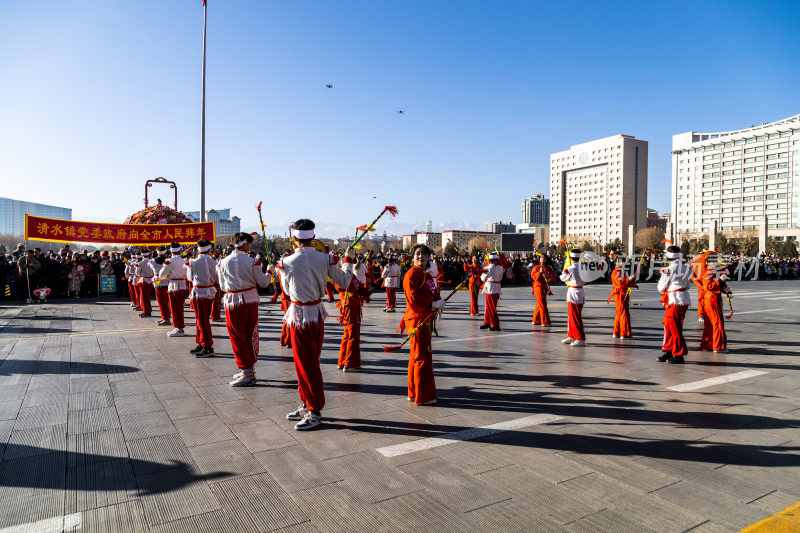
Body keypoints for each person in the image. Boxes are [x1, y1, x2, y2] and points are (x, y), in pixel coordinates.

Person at [277, 219, 351, 431]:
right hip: (317, 313)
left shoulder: (287, 261)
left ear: (294, 238)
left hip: (300, 315)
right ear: (313, 236)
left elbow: (288, 291)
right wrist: (347, 262)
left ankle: (314, 409)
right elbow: (344, 282)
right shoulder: (326, 259)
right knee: (309, 362)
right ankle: (307, 402)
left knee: (305, 364)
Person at [218, 233, 271, 386]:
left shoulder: (222, 262)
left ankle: (246, 370)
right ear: (246, 244)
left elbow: (222, 286)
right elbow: (263, 283)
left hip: (233, 301)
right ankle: (248, 368)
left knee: (237, 335)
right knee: (250, 333)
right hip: (250, 299)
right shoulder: (253, 261)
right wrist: (270, 272)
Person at [401, 244, 443, 405]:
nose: (421, 257)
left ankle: (414, 392)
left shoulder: (427, 275)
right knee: (421, 357)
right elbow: (413, 299)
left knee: (417, 356)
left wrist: (438, 301)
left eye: (424, 254)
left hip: (425, 318)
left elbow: (433, 293)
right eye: (417, 254)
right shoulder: (411, 275)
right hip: (417, 318)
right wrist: (432, 304)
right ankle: (422, 396)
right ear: (412, 258)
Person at [657, 245, 692, 364]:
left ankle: (678, 353)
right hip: (684, 299)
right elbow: (688, 285)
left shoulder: (668, 270)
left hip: (673, 300)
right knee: (669, 325)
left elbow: (661, 288)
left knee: (673, 327)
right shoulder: (687, 268)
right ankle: (668, 350)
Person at [336, 250, 369, 371]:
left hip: (354, 306)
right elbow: (344, 286)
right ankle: (349, 363)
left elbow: (359, 288)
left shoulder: (352, 276)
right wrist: (347, 260)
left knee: (348, 335)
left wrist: (367, 291)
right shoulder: (341, 277)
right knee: (352, 335)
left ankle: (342, 361)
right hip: (350, 307)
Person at [186, 239, 218, 356]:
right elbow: (216, 277)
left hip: (199, 292)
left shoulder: (193, 262)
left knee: (201, 320)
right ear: (209, 249)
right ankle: (201, 341)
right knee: (202, 319)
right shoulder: (214, 262)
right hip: (209, 291)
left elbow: (189, 278)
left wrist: (189, 267)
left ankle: (208, 346)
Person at [699, 255, 732, 353]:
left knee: (710, 324)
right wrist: (720, 281)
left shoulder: (713, 273)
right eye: (714, 262)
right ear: (709, 263)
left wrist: (724, 289)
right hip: (711, 300)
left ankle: (709, 344)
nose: (716, 263)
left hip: (713, 299)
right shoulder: (708, 273)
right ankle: (718, 346)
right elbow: (708, 286)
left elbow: (715, 286)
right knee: (717, 323)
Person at [156, 243, 190, 338]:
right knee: (180, 307)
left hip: (174, 285)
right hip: (183, 284)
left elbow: (161, 276)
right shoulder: (184, 260)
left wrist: (169, 275)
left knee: (175, 308)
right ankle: (179, 327)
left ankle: (179, 328)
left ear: (170, 250)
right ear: (179, 250)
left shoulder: (169, 261)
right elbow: (188, 275)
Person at [560, 249, 586, 346]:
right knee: (572, 316)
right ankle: (571, 335)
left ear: (570, 257)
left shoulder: (570, 268)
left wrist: (564, 269)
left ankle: (580, 338)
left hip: (573, 293)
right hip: (581, 291)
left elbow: (563, 278)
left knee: (575, 316)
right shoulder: (584, 267)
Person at [608, 256, 637, 338]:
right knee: (623, 313)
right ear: (617, 262)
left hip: (622, 293)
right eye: (621, 261)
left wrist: (631, 280)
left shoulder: (620, 270)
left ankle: (616, 332)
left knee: (619, 313)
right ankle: (623, 333)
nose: (623, 263)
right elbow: (620, 282)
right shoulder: (616, 271)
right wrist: (629, 279)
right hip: (619, 294)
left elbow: (625, 282)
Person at [480, 253, 506, 331]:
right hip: (497, 287)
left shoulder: (487, 268)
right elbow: (500, 278)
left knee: (491, 307)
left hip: (490, 288)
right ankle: (487, 322)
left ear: (489, 260)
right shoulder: (500, 268)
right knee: (489, 306)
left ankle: (495, 324)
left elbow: (483, 278)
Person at [530, 254, 556, 326]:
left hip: (545, 287)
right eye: (541, 258)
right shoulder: (536, 267)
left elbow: (553, 277)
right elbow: (533, 276)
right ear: (539, 259)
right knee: (543, 304)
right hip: (538, 286)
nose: (543, 259)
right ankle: (544, 321)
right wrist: (539, 273)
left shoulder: (548, 268)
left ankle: (535, 320)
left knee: (539, 304)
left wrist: (548, 278)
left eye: (544, 257)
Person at [153, 246, 172, 326]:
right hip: (168, 282)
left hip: (158, 283)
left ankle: (166, 318)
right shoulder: (168, 261)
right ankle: (167, 317)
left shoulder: (152, 262)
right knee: (168, 302)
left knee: (162, 303)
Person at [134, 249, 155, 317]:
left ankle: (147, 311)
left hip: (144, 280)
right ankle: (146, 310)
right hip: (151, 280)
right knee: (147, 297)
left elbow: (137, 273)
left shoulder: (140, 263)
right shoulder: (152, 261)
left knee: (144, 297)